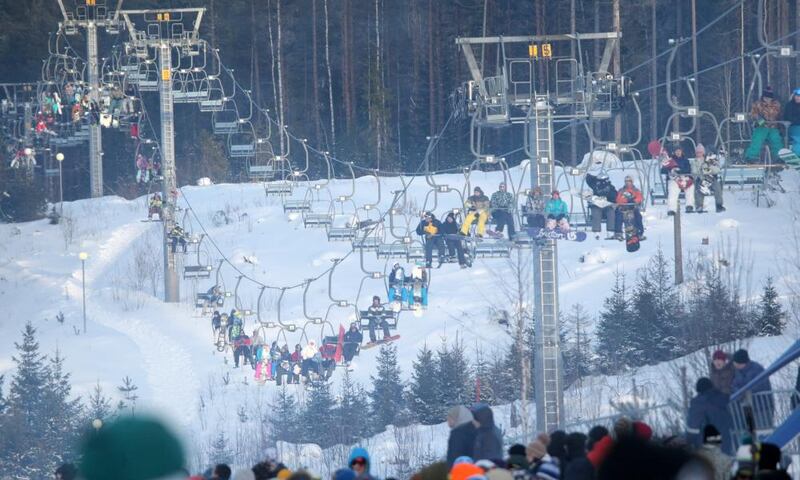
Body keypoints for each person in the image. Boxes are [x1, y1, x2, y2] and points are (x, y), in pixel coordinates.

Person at [687, 377, 734, 455]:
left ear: (698, 390)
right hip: (727, 439)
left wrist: (690, 440)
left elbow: (693, 426)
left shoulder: (698, 403)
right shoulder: (724, 398)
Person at [731, 349, 774, 429]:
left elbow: (758, 386)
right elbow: (732, 385)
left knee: (763, 432)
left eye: (736, 362)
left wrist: (742, 392)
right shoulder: (736, 372)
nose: (735, 364)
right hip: (746, 408)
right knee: (751, 435)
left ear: (742, 362)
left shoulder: (757, 369)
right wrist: (740, 393)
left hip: (762, 408)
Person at [745, 86, 783, 163]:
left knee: (776, 140)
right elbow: (753, 114)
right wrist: (760, 120)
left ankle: (778, 157)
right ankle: (751, 156)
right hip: (761, 126)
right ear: (763, 97)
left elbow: (780, 115)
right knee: (757, 139)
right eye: (766, 97)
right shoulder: (758, 104)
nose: (767, 99)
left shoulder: (776, 105)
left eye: (769, 98)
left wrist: (781, 125)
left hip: (773, 126)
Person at [692, 144, 725, 213]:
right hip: (701, 179)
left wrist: (709, 169)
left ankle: (719, 205)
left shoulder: (710, 160)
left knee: (717, 188)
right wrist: (701, 171)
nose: (699, 154)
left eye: (700, 152)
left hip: (711, 178)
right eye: (697, 152)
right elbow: (694, 171)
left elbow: (717, 169)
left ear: (703, 153)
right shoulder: (694, 162)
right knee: (700, 189)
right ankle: (699, 206)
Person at [662, 146, 696, 215]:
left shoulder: (685, 160)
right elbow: (663, 170)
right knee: (673, 190)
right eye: (676, 151)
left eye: (679, 151)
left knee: (690, 187)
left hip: (684, 178)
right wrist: (670, 170)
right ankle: (671, 209)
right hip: (674, 179)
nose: (678, 152)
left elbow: (688, 169)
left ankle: (689, 205)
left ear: (681, 152)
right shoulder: (670, 160)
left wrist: (679, 170)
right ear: (674, 152)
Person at [612, 176, 645, 241]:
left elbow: (640, 198)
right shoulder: (621, 190)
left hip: (633, 208)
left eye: (629, 181)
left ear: (632, 182)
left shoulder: (636, 190)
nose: (627, 183)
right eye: (626, 181)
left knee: (638, 217)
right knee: (618, 216)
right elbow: (618, 199)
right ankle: (618, 233)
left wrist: (634, 201)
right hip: (623, 208)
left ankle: (639, 233)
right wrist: (626, 200)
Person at [784, 88, 800, 156]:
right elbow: (788, 118)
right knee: (798, 140)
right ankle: (795, 156)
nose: (798, 98)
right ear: (794, 96)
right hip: (793, 127)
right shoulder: (789, 105)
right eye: (797, 96)